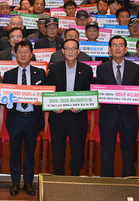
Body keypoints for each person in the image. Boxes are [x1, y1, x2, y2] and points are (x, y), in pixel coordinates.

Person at [95, 36, 139, 177]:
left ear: (126, 49)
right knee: (106, 152)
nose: (117, 48)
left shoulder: (134, 68)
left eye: (120, 45)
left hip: (129, 117)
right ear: (109, 49)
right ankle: (107, 182)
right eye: (114, 45)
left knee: (128, 152)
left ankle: (128, 181)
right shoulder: (101, 68)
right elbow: (96, 91)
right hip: (108, 117)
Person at [2, 40, 45, 196]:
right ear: (15, 54)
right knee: (14, 152)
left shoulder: (41, 73)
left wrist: (42, 100)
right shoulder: (9, 75)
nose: (23, 54)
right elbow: (4, 97)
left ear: (31, 54)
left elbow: (47, 94)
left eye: (26, 51)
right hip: (15, 118)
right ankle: (15, 182)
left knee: (30, 152)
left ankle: (28, 182)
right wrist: (6, 98)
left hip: (33, 118)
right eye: (20, 51)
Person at [45, 38, 93, 176]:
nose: (70, 51)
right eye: (67, 48)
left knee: (77, 152)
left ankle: (75, 178)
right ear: (63, 51)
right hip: (58, 116)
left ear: (78, 51)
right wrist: (53, 107)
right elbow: (49, 91)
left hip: (78, 117)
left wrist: (81, 107)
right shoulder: (54, 68)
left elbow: (89, 94)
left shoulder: (86, 70)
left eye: (73, 49)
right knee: (57, 152)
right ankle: (58, 178)